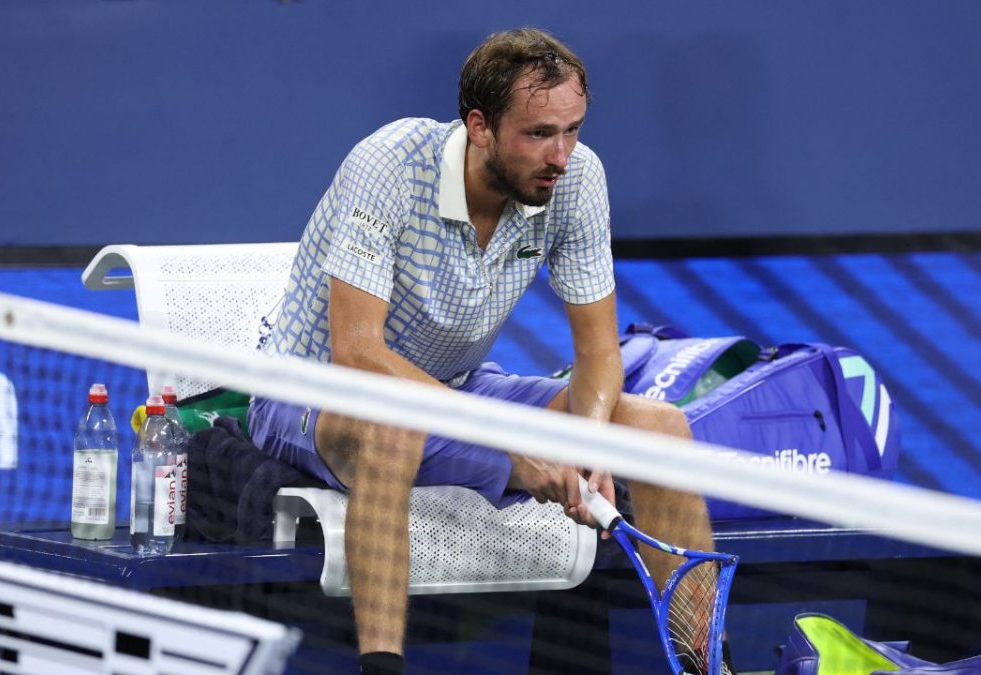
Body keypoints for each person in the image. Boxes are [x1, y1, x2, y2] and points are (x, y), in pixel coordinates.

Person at [251, 27, 715, 674]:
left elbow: (600, 353)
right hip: (317, 392)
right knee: (395, 427)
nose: (561, 154)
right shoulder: (386, 166)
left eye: (573, 129)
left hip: (458, 387)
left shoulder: (575, 179)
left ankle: (703, 664)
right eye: (538, 134)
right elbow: (357, 353)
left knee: (658, 427)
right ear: (480, 126)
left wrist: (590, 444)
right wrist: (504, 443)